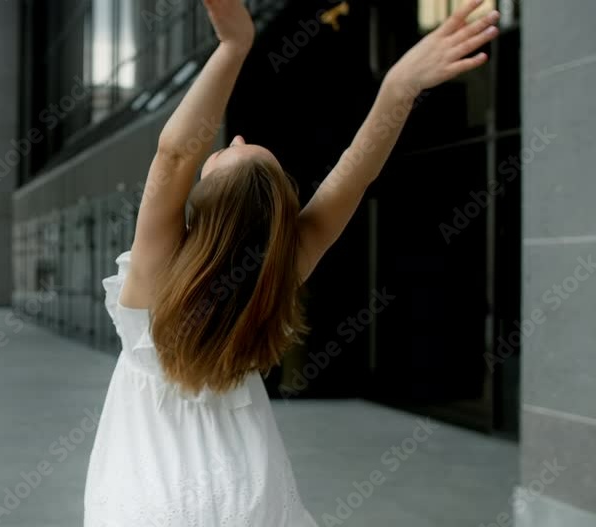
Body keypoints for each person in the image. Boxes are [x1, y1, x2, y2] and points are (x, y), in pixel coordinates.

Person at [83, 0, 501, 525]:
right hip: (246, 493)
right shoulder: (276, 276)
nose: (236, 136)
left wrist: (234, 46)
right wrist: (397, 87)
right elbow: (354, 173)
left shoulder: (154, 279)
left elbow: (174, 154)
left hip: (144, 498)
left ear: (209, 209)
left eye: (228, 152)